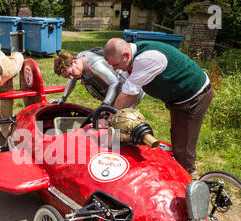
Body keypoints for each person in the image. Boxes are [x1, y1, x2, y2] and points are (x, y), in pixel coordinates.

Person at [104, 38, 213, 175]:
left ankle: (189, 180)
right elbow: (132, 91)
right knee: (177, 135)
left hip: (193, 96)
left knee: (182, 146)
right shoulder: (132, 61)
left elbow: (127, 95)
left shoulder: (146, 58)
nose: (114, 69)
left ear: (126, 55)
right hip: (179, 98)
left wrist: (111, 120)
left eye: (116, 64)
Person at [52, 48, 144, 108]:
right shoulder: (78, 60)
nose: (71, 78)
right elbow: (72, 80)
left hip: (130, 94)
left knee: (122, 124)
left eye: (71, 73)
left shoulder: (95, 64)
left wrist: (105, 105)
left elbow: (115, 82)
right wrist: (63, 97)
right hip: (115, 97)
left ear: (74, 62)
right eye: (68, 76)